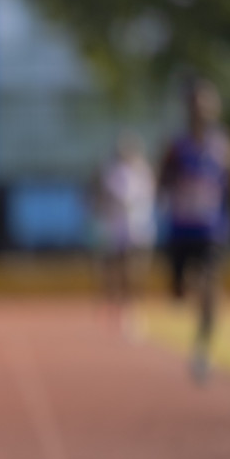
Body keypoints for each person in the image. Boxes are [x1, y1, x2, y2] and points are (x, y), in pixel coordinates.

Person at [158, 80, 230, 383]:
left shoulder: (225, 144)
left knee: (209, 286)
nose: (200, 109)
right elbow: (161, 180)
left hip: (212, 229)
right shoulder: (175, 146)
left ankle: (202, 350)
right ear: (187, 108)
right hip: (180, 229)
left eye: (206, 103)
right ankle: (188, 292)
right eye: (195, 103)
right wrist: (175, 185)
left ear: (214, 108)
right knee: (178, 294)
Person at [89, 132, 156, 333]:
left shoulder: (143, 171)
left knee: (135, 272)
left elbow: (148, 197)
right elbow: (102, 198)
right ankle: (114, 304)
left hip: (138, 229)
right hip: (116, 230)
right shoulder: (112, 172)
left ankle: (131, 309)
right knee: (115, 270)